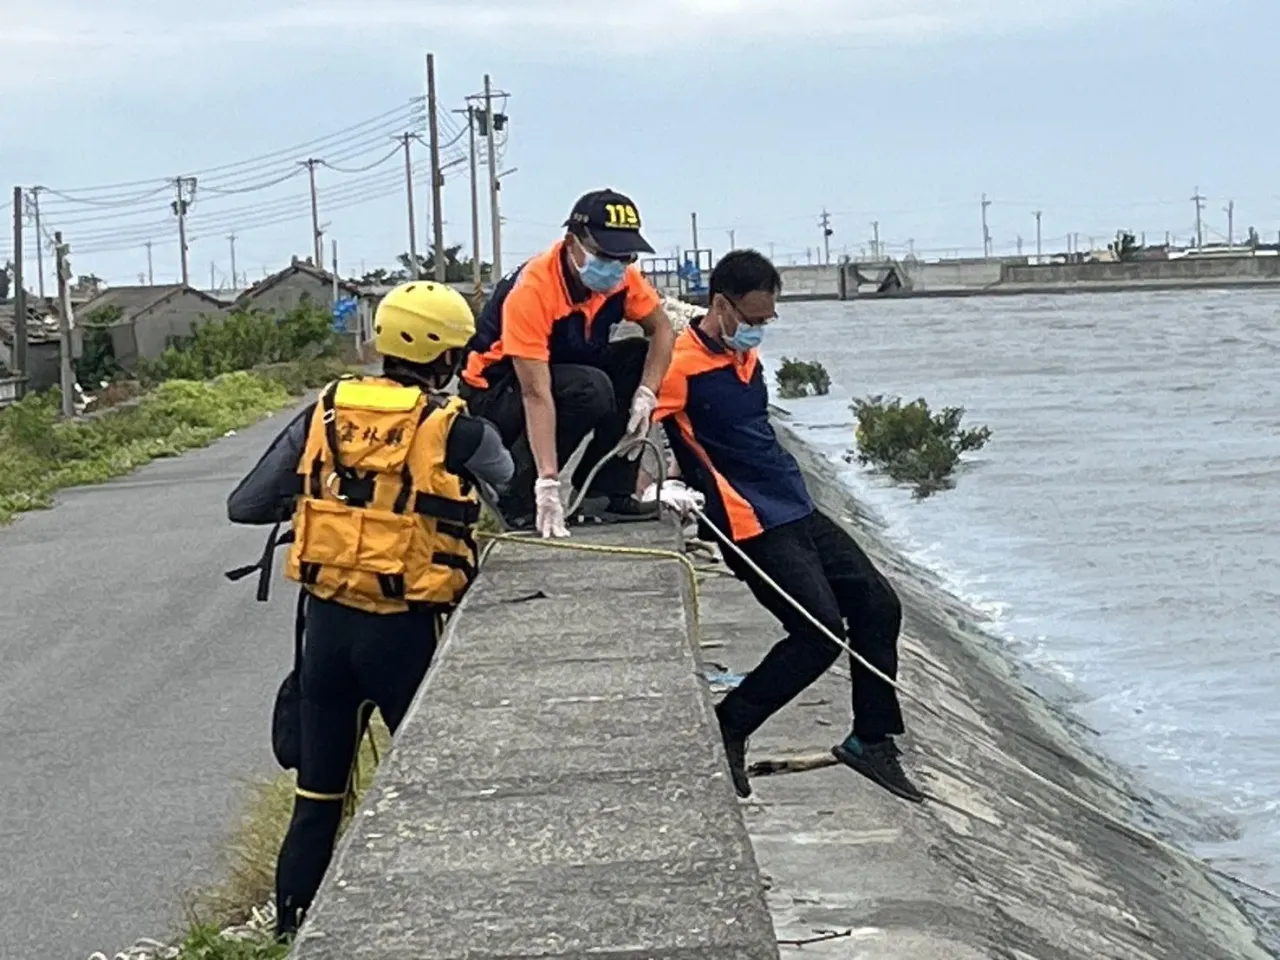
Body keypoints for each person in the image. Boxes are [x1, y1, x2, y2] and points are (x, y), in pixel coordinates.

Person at [225, 280, 514, 938]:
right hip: (405, 636)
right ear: (445, 357)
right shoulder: (456, 429)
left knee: (316, 800)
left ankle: (291, 934)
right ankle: (442, 931)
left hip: (326, 634)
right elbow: (509, 488)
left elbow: (245, 505)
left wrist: (331, 508)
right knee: (429, 792)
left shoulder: (322, 414)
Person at [652, 249, 923, 804]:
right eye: (751, 320)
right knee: (819, 636)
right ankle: (730, 726)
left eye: (767, 319)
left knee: (878, 604)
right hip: (748, 524)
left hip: (795, 505)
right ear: (720, 305)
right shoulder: (678, 366)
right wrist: (655, 487)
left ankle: (870, 740)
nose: (759, 329)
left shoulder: (744, 362)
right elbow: (642, 432)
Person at [458, 188, 677, 537]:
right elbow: (535, 393)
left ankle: (605, 492)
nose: (615, 267)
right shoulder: (534, 290)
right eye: (605, 255)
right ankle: (518, 493)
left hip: (565, 373)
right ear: (573, 242)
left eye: (625, 257)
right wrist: (548, 482)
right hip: (498, 391)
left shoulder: (622, 277)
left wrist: (647, 393)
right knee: (590, 389)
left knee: (636, 359)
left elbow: (662, 330)